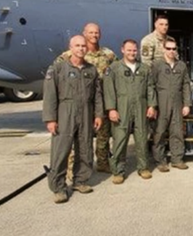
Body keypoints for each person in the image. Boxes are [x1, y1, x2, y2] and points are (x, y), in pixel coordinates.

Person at [43, 35, 104, 203]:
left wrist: (98, 114)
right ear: (70, 47)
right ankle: (58, 187)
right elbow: (50, 95)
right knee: (61, 150)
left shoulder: (91, 70)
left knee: (85, 147)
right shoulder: (58, 68)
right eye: (77, 46)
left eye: (83, 46)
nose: (81, 49)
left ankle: (81, 180)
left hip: (86, 111)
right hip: (65, 111)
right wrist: (50, 119)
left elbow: (97, 95)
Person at [55, 23, 117, 176]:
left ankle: (102, 162)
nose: (94, 35)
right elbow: (58, 73)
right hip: (80, 100)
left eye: (96, 33)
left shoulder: (108, 54)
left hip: (101, 100)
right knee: (77, 136)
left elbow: (117, 71)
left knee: (103, 134)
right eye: (91, 32)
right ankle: (72, 168)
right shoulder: (69, 55)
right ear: (84, 33)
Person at [104, 39, 157, 184]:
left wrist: (152, 105)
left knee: (142, 138)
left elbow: (150, 87)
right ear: (122, 50)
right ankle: (118, 171)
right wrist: (111, 109)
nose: (132, 53)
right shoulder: (114, 68)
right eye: (129, 50)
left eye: (134, 50)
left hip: (141, 106)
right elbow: (109, 90)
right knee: (120, 139)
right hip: (122, 107)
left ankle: (143, 167)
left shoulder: (144, 69)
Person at [150, 37, 192, 171]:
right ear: (163, 49)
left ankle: (177, 159)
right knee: (159, 132)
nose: (171, 51)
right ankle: (160, 161)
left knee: (177, 131)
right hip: (161, 101)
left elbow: (186, 85)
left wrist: (187, 104)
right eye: (168, 48)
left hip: (177, 101)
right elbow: (151, 85)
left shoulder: (181, 65)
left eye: (174, 48)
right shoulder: (157, 65)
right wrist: (152, 105)